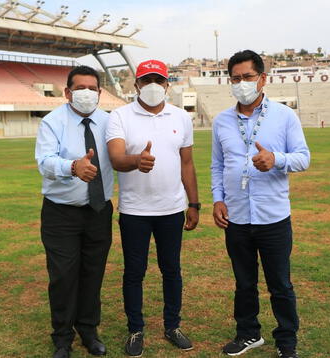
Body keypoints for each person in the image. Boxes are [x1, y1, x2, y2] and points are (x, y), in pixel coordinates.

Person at [211, 50, 310, 358]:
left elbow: (303, 158)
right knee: (244, 283)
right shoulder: (222, 121)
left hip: (273, 217)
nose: (242, 84)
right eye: (236, 78)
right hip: (237, 217)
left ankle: (286, 342)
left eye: (248, 77)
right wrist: (217, 199)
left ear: (263, 79)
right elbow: (217, 164)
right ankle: (248, 334)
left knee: (280, 284)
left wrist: (276, 159)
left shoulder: (284, 116)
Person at [106, 59, 200, 357]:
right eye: (146, 80)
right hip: (134, 211)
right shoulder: (120, 116)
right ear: (136, 85)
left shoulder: (180, 117)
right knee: (135, 272)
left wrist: (194, 203)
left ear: (167, 85)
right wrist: (136, 161)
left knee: (171, 270)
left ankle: (172, 326)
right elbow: (116, 159)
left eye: (158, 80)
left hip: (171, 209)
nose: (152, 86)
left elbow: (187, 163)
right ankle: (135, 330)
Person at [35, 65, 114, 358]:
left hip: (98, 210)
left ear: (100, 93)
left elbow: (119, 155)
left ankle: (89, 330)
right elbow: (44, 161)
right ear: (68, 92)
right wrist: (72, 167)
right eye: (80, 88)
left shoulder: (109, 122)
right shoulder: (52, 122)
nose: (87, 93)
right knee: (63, 276)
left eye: (92, 88)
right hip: (61, 213)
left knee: (93, 273)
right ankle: (62, 337)